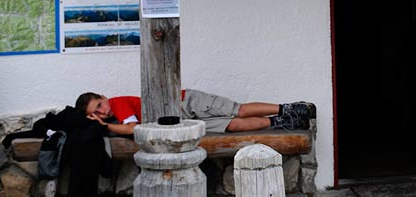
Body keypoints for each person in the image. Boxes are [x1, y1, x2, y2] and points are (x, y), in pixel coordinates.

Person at [75, 90, 315, 135]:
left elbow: (133, 129)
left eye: (99, 105)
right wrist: (105, 124)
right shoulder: (113, 120)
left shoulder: (117, 104)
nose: (103, 111)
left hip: (185, 102)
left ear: (104, 98)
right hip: (181, 123)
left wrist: (104, 126)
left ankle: (290, 108)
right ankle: (280, 121)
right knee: (230, 126)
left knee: (237, 110)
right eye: (97, 113)